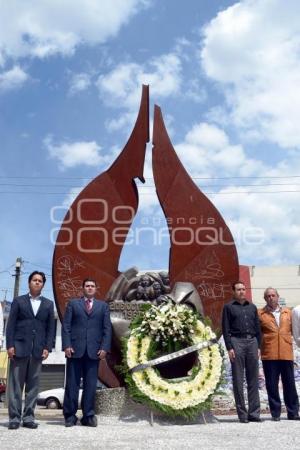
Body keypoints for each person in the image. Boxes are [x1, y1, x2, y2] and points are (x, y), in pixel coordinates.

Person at [6, 271, 55, 429]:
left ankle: (28, 417)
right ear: (29, 283)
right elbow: (11, 325)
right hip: (19, 348)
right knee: (16, 386)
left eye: (40, 281)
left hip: (37, 351)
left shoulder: (48, 304)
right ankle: (14, 418)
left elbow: (50, 328)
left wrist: (48, 347)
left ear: (43, 284)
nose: (37, 282)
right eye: (34, 280)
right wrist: (10, 345)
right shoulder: (18, 301)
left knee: (33, 386)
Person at [62, 278, 112, 427]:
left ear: (96, 288)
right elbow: (66, 326)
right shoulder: (73, 304)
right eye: (87, 286)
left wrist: (104, 348)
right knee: (72, 384)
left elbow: (107, 329)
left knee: (90, 385)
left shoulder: (103, 306)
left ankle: (88, 415)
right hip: (74, 350)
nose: (90, 288)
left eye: (92, 286)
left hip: (94, 351)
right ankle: (70, 416)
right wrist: (66, 345)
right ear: (82, 288)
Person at [222, 281, 261, 423]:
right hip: (236, 342)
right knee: (238, 379)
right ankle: (243, 415)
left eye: (243, 289)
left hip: (252, 342)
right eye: (238, 289)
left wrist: (258, 346)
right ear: (233, 291)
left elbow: (258, 328)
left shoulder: (252, 307)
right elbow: (225, 328)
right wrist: (229, 347)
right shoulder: (228, 307)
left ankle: (254, 414)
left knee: (253, 379)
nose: (242, 292)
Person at [258, 287, 300, 421]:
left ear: (278, 297)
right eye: (268, 296)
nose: (271, 298)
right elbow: (258, 333)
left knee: (289, 383)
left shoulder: (288, 312)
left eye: (273, 295)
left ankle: (293, 412)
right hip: (269, 353)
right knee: (271, 384)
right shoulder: (260, 314)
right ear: (265, 299)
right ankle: (275, 413)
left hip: (286, 352)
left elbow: (296, 330)